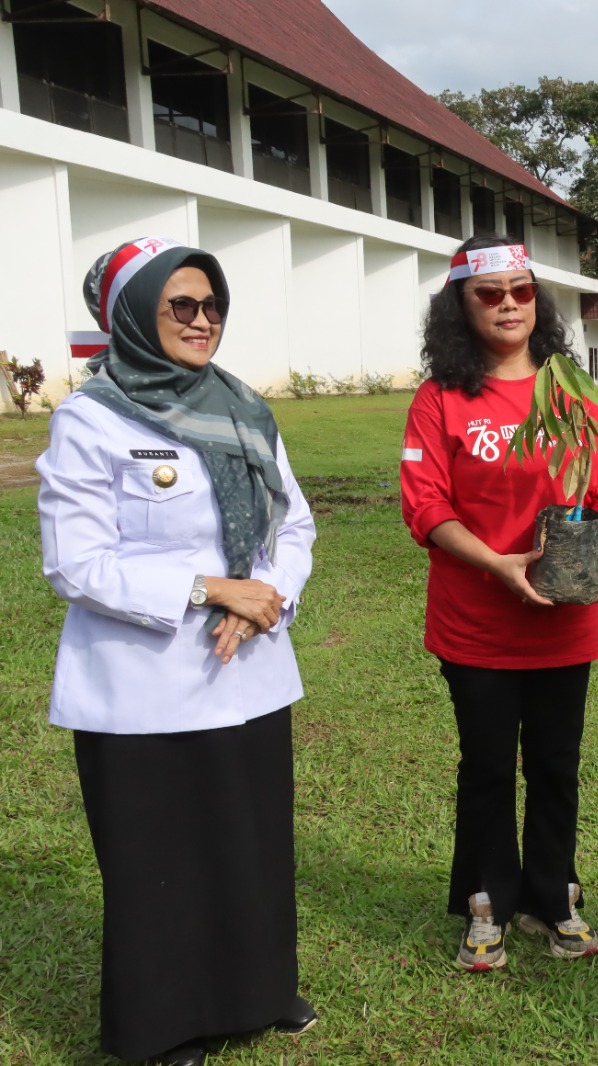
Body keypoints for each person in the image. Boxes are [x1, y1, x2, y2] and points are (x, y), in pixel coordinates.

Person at [36, 238, 317, 1066]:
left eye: (212, 306)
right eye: (181, 307)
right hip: (142, 686)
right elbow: (75, 561)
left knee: (251, 842)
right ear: (133, 316)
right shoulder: (90, 418)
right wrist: (209, 589)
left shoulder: (243, 408)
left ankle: (259, 994)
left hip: (248, 670)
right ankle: (163, 1029)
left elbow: (291, 524)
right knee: (158, 857)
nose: (204, 322)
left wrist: (264, 598)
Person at [400, 235, 598, 972]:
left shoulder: (568, 392)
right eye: (489, 293)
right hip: (476, 625)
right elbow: (423, 502)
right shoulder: (440, 400)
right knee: (489, 766)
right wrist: (496, 562)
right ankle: (488, 900)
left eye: (520, 291)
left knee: (558, 765)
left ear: (537, 300)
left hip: (564, 618)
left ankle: (553, 896)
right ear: (460, 306)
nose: (507, 304)